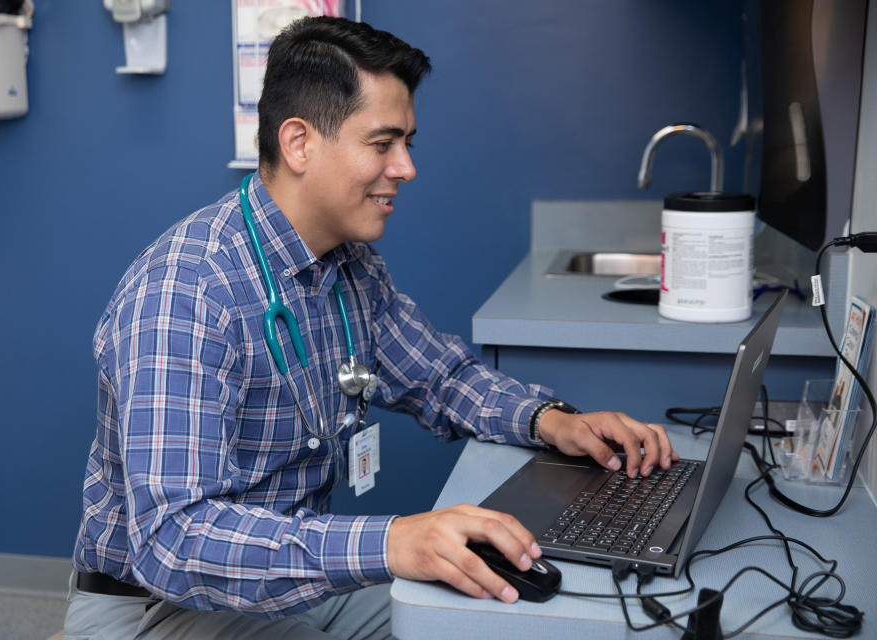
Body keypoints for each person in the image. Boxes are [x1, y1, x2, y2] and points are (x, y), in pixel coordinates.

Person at [64, 16, 676, 639]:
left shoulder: (350, 269)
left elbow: (441, 379)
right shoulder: (187, 292)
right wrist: (392, 540)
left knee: (486, 619)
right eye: (382, 144)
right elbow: (174, 541)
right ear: (299, 143)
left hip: (290, 588)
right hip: (160, 606)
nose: (405, 167)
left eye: (407, 142)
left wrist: (554, 421)